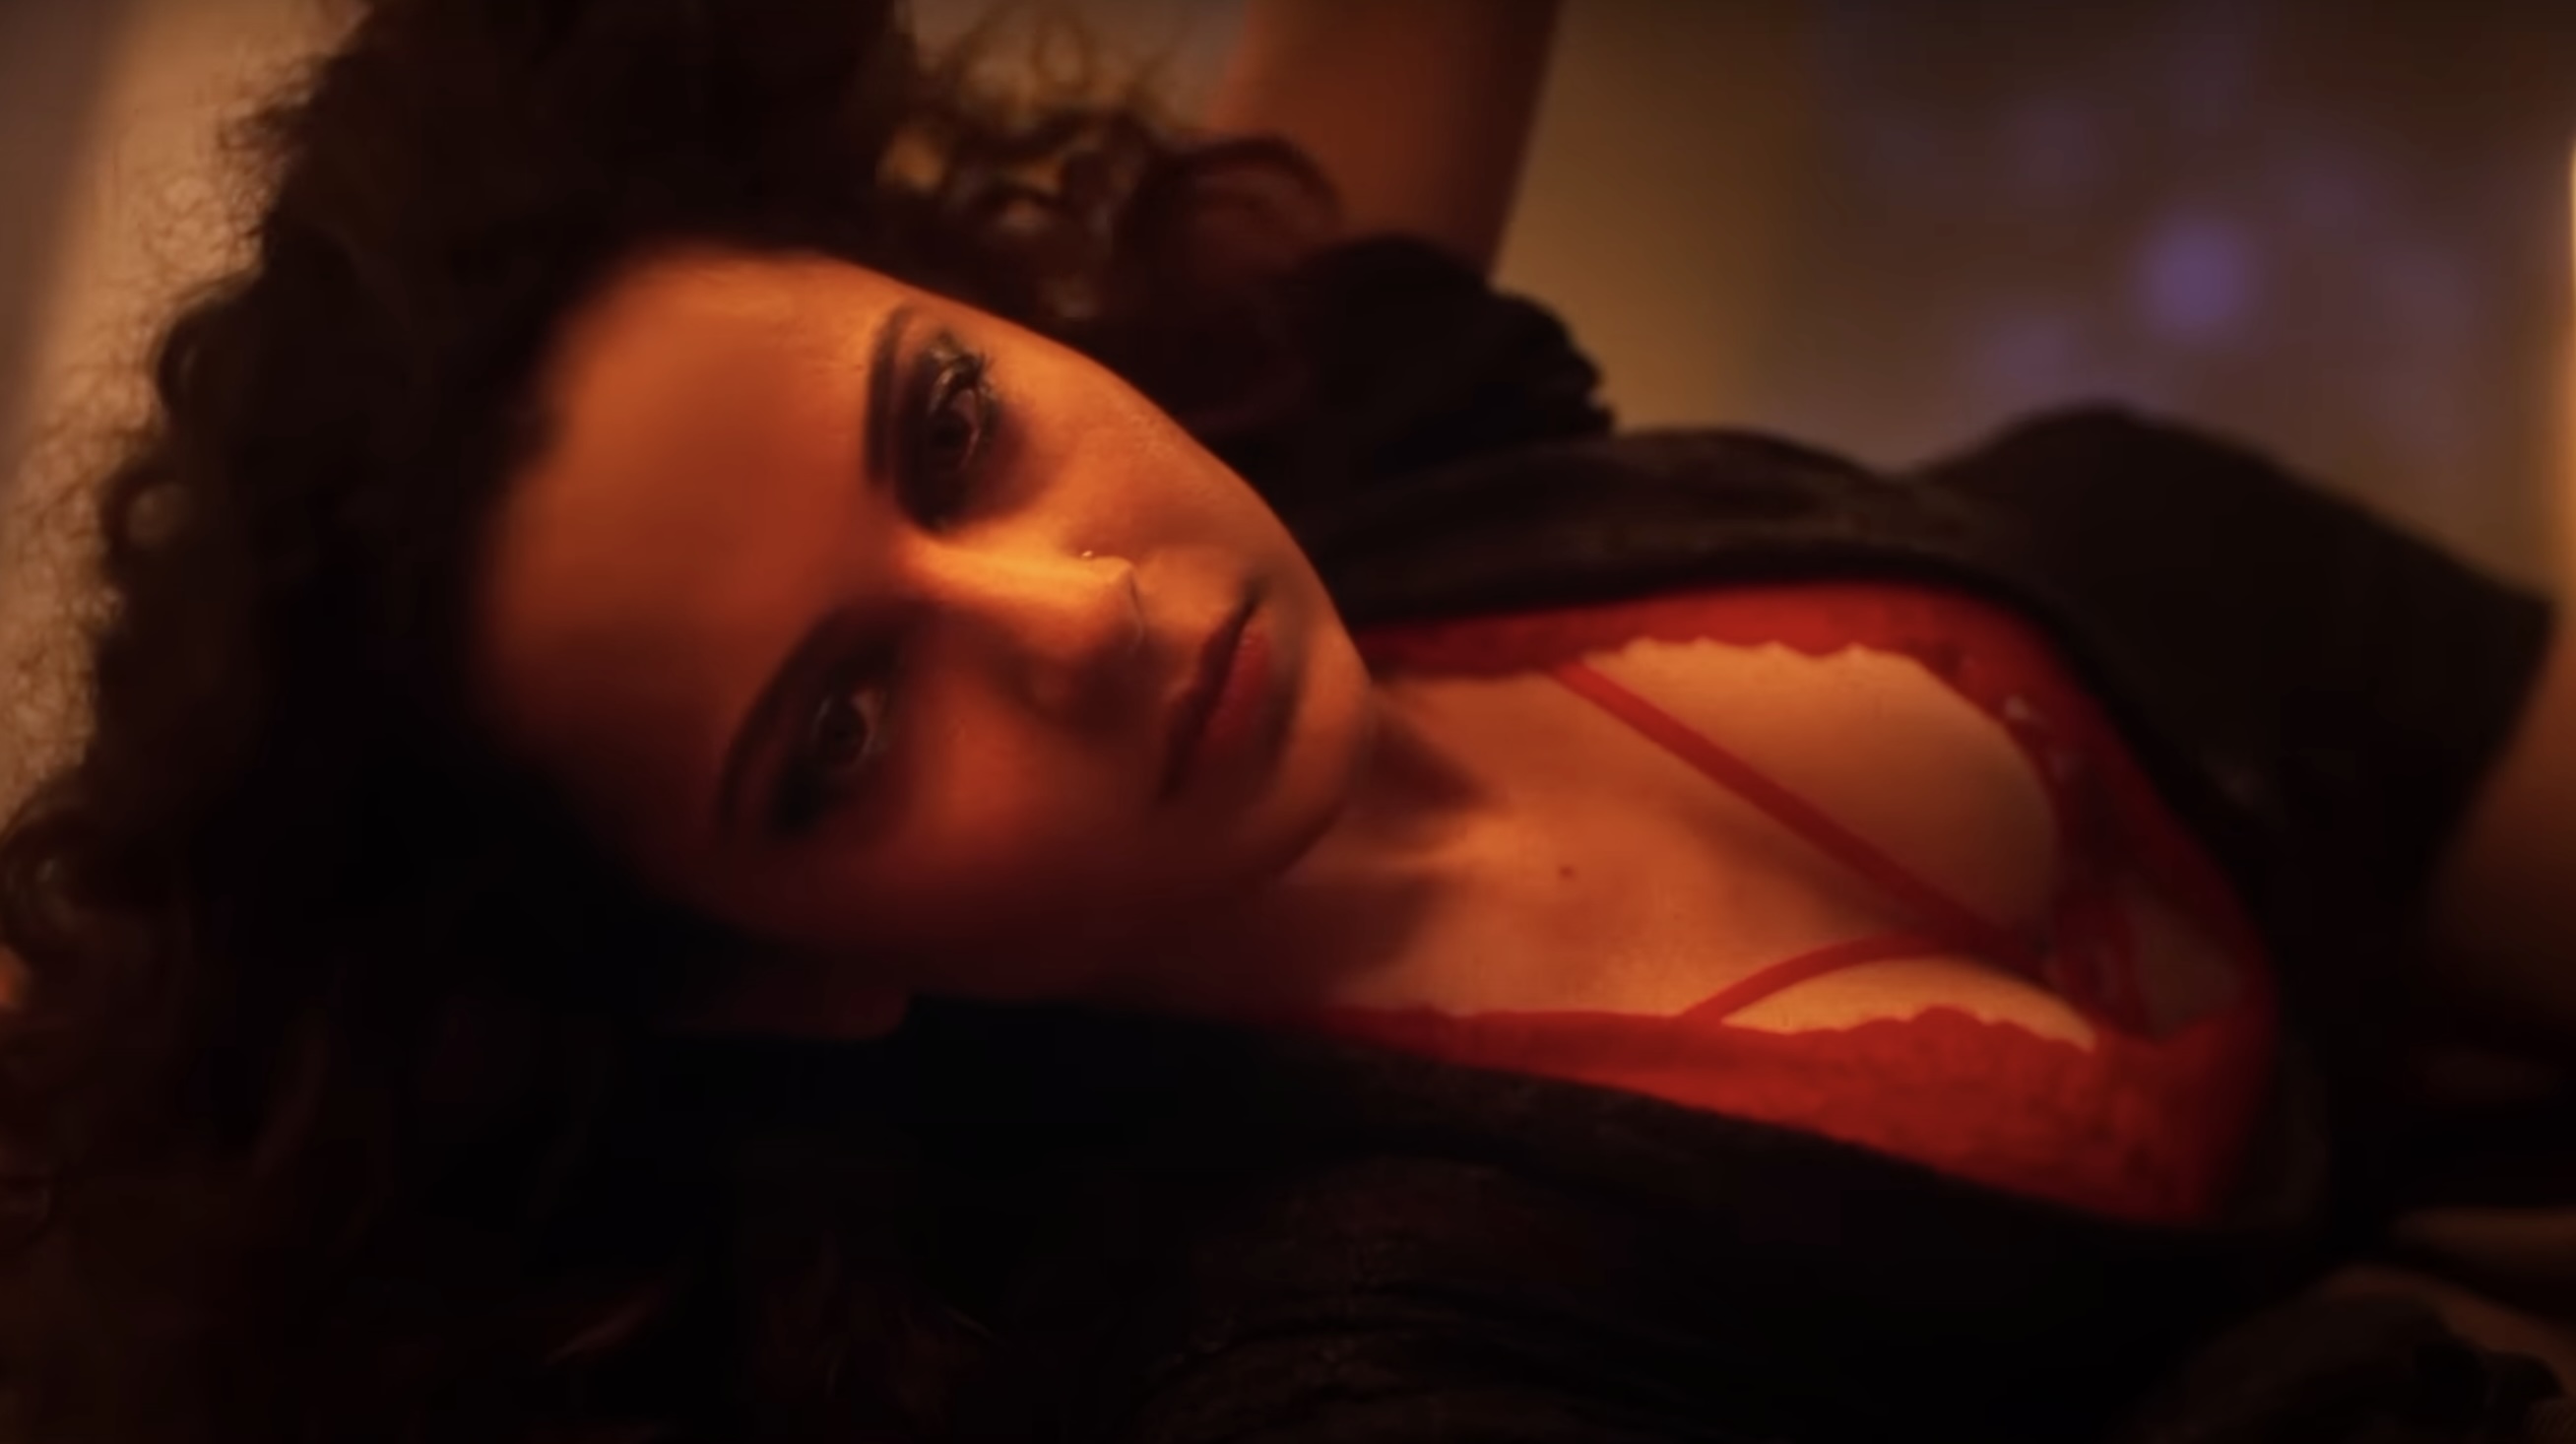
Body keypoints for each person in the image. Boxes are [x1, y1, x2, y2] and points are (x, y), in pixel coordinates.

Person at [0, 0, 2570, 1440]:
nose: (1080, 614)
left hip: (2350, 690)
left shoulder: (1329, 409)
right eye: (842, 736)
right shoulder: (1336, 1358)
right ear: (776, 972)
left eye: (948, 429)